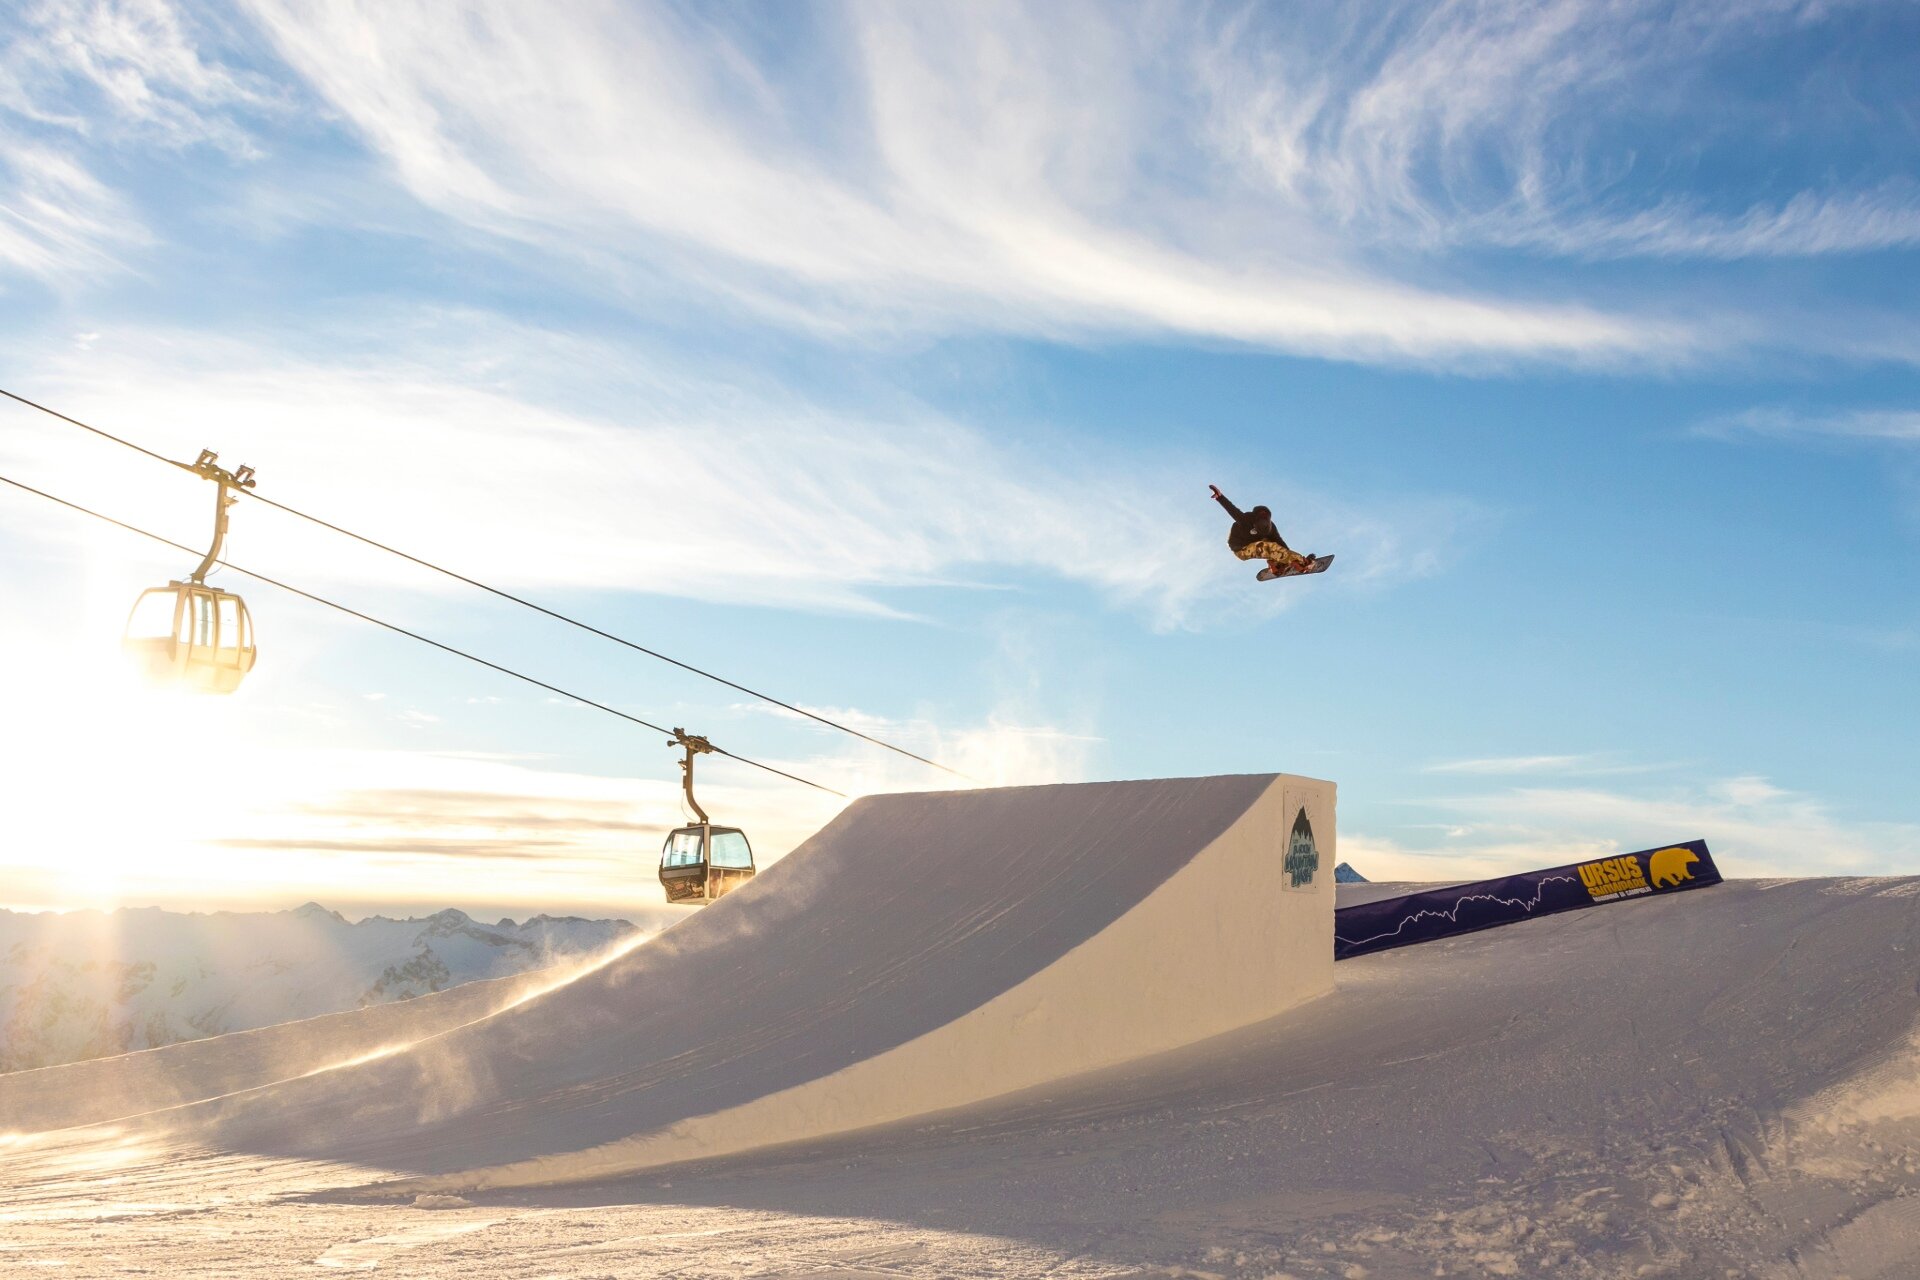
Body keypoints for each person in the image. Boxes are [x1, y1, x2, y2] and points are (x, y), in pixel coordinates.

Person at [1209, 484, 1314, 579]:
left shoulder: (1272, 528)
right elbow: (1233, 510)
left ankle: (1276, 565)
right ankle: (1301, 564)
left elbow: (1280, 543)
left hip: (1256, 545)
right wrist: (1220, 497)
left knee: (1273, 544)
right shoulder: (1246, 519)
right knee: (1266, 546)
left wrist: (1288, 556)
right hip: (1241, 548)